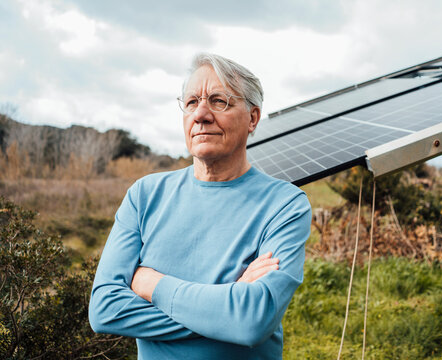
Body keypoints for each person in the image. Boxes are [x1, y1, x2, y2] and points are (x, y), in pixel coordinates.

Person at [88, 53, 312, 359]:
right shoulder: (145, 195)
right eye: (192, 101)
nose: (201, 114)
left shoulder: (284, 205)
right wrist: (227, 306)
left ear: (253, 118)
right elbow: (105, 310)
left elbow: (251, 322)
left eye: (219, 101)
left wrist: (152, 284)